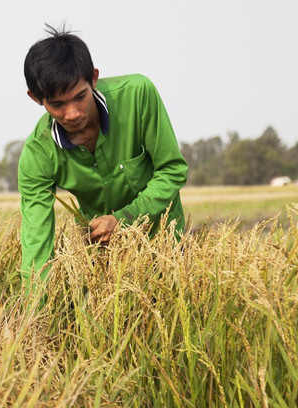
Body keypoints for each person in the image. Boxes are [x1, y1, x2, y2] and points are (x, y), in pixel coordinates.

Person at [19, 25, 188, 281]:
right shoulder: (38, 155)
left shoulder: (137, 95)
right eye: (57, 104)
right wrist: (34, 317)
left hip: (167, 249)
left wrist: (124, 220)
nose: (72, 113)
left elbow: (172, 169)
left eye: (79, 97)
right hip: (104, 260)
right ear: (36, 99)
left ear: (93, 78)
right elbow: (36, 245)